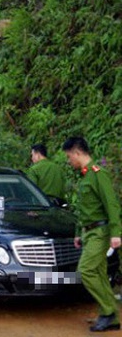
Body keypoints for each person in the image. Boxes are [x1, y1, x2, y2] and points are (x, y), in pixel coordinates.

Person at [63, 137, 120, 332]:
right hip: (89, 232)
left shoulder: (98, 175)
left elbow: (111, 204)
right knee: (99, 274)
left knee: (86, 270)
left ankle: (108, 311)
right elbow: (85, 209)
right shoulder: (86, 176)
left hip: (100, 232)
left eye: (69, 156)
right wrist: (79, 232)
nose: (69, 160)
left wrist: (116, 233)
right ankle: (110, 316)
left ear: (77, 153)